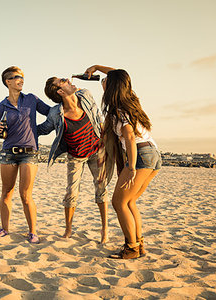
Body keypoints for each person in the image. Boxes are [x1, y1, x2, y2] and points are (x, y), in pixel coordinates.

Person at [85, 65, 161, 259]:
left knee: (119, 202)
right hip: (153, 153)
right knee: (129, 201)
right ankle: (138, 244)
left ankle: (131, 248)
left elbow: (129, 137)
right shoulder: (131, 101)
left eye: (105, 81)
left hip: (141, 155)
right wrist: (96, 67)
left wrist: (132, 167)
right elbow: (122, 75)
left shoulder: (120, 110)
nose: (103, 81)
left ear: (112, 87)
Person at [38, 77, 113, 243]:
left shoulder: (85, 95)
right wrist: (17, 128)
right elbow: (42, 129)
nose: (68, 79)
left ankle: (105, 229)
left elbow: (98, 117)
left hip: (97, 150)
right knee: (71, 192)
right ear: (60, 91)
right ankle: (68, 230)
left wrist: (105, 137)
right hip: (76, 156)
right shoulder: (55, 113)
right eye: (63, 80)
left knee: (101, 188)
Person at [0, 66, 50, 244]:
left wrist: (39, 130)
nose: (21, 80)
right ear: (8, 81)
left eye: (22, 77)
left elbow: (51, 113)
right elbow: (5, 132)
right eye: (17, 77)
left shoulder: (32, 99)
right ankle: (4, 229)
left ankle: (33, 232)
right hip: (8, 152)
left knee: (25, 194)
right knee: (6, 192)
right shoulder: (1, 106)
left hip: (29, 153)